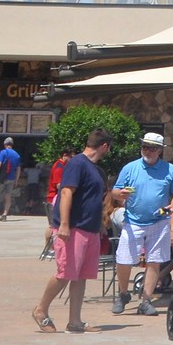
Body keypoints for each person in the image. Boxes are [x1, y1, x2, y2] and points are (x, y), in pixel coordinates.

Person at [34, 129, 111, 334]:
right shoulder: (77, 164)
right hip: (74, 228)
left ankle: (75, 321)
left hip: (90, 228)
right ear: (104, 146)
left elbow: (94, 199)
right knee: (65, 273)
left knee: (80, 276)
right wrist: (65, 224)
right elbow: (67, 192)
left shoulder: (95, 169)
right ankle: (41, 310)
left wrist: (100, 223)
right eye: (108, 148)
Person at [113, 132, 173, 317]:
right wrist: (120, 195)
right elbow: (115, 191)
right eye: (144, 146)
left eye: (151, 148)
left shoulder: (169, 170)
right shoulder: (130, 168)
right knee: (124, 259)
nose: (147, 151)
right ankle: (123, 294)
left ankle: (146, 300)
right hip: (133, 221)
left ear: (159, 150)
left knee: (154, 262)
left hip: (159, 222)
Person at [40, 147, 71, 259]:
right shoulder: (58, 167)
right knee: (52, 225)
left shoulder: (63, 166)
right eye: (70, 156)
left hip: (55, 198)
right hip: (53, 198)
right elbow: (59, 185)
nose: (71, 159)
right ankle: (48, 249)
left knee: (52, 224)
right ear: (64, 155)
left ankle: (50, 249)